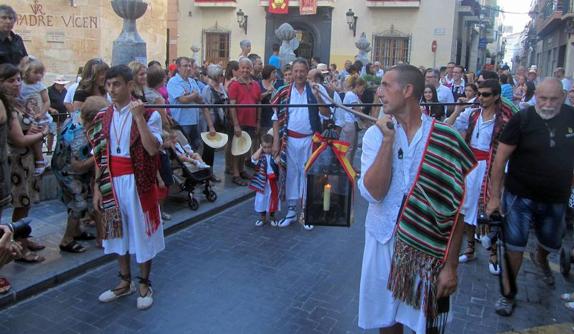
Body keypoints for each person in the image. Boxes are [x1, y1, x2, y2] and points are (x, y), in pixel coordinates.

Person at [358, 64, 476, 334]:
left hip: (428, 251)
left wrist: (451, 266)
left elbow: (457, 209)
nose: (379, 91)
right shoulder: (376, 135)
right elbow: (373, 193)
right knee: (387, 324)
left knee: (427, 326)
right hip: (383, 241)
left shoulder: (445, 139)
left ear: (408, 90)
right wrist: (388, 142)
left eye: (386, 85)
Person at [486, 78, 574, 316]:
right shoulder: (522, 119)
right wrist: (495, 197)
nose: (547, 104)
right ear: (536, 96)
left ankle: (541, 257)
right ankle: (508, 294)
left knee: (551, 242)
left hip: (556, 197)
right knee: (514, 247)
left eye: (553, 99)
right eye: (542, 98)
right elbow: (500, 158)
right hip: (519, 196)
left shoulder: (571, 118)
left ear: (563, 97)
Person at [89, 65, 164, 310]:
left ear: (129, 86)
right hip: (112, 182)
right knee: (117, 233)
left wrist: (139, 117)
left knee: (142, 233)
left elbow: (152, 148)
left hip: (138, 182)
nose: (111, 89)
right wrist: (97, 188)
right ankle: (124, 282)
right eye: (108, 85)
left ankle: (144, 283)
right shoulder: (102, 116)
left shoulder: (149, 114)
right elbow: (100, 156)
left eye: (117, 84)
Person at [447, 79, 515, 275]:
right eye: (480, 94)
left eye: (486, 95)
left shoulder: (503, 120)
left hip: (491, 167)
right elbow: (448, 126)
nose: (481, 98)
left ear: (496, 97)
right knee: (467, 209)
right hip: (470, 167)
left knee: (490, 211)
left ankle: (493, 255)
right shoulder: (472, 114)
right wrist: (458, 110)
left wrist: (501, 177)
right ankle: (470, 249)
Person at [271, 58, 332, 231]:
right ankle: (291, 211)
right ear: (292, 72)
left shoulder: (316, 89)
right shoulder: (283, 91)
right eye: (295, 71)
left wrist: (318, 95)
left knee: (309, 174)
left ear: (307, 72)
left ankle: (306, 211)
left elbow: (326, 114)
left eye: (302, 71)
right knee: (290, 174)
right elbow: (275, 118)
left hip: (310, 139)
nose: (298, 74)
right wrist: (276, 141)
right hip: (288, 140)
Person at [0, 63, 48, 263]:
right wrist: (42, 134)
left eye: (19, 79)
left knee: (26, 204)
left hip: (27, 160)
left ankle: (23, 239)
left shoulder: (17, 103)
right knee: (21, 204)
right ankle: (19, 247)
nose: (17, 84)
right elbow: (19, 139)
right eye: (11, 80)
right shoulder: (7, 107)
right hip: (17, 162)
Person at [52, 96, 108, 253]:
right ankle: (67, 240)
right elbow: (78, 166)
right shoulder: (79, 135)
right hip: (67, 172)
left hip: (69, 168)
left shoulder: (78, 116)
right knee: (79, 204)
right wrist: (99, 155)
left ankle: (90, 234)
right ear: (94, 118)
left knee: (89, 199)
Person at [167, 57, 213, 151]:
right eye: (185, 66)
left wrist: (191, 95)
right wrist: (194, 94)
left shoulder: (192, 81)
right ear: (178, 67)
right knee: (184, 148)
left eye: (189, 66)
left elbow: (200, 99)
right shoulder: (173, 82)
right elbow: (183, 99)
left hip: (194, 121)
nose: (188, 68)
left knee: (196, 146)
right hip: (181, 122)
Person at [227, 57, 261, 186]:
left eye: (248, 68)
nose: (245, 70)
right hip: (239, 122)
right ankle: (235, 174)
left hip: (251, 121)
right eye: (243, 68)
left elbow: (258, 105)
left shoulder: (256, 85)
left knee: (245, 148)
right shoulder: (234, 85)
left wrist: (258, 121)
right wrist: (236, 124)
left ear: (251, 69)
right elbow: (232, 106)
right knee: (236, 149)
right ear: (239, 69)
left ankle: (241, 170)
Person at [20, 58, 52, 176]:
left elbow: (47, 101)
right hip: (26, 115)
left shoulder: (40, 86)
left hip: (39, 116)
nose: (39, 76)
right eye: (36, 73)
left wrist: (42, 113)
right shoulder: (21, 85)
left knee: (35, 137)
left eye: (41, 73)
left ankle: (40, 160)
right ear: (27, 72)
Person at [200, 64, 226, 182]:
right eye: (221, 75)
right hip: (210, 123)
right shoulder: (207, 89)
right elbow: (205, 109)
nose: (222, 76)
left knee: (212, 150)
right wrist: (210, 126)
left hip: (219, 120)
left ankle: (209, 173)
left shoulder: (221, 87)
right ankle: (207, 174)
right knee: (208, 150)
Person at [249, 133, 280, 227]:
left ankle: (272, 216)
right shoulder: (260, 156)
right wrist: (260, 149)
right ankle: (262, 217)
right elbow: (253, 159)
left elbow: (279, 161)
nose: (267, 149)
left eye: (269, 147)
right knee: (261, 199)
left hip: (273, 181)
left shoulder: (274, 155)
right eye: (265, 147)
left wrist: (275, 154)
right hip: (262, 182)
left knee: (273, 198)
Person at [341, 76, 366, 166]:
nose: (363, 91)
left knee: (353, 147)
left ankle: (349, 166)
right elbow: (357, 110)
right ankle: (347, 168)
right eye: (362, 88)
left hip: (352, 123)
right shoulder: (351, 95)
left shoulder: (353, 95)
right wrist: (367, 120)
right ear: (358, 86)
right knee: (350, 148)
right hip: (350, 123)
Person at [47, 75, 70, 154]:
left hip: (62, 116)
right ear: (56, 84)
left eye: (63, 84)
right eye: (61, 84)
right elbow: (45, 103)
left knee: (60, 134)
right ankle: (49, 150)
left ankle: (58, 149)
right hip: (52, 116)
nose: (63, 86)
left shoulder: (65, 91)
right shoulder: (49, 90)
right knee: (51, 132)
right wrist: (51, 109)